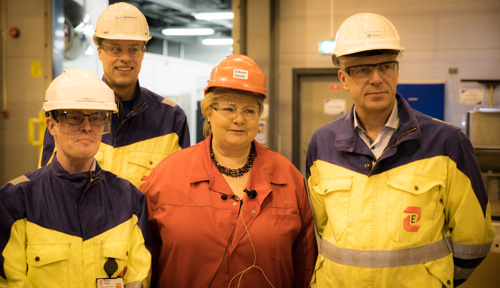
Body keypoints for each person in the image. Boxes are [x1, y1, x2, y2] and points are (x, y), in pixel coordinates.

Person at [306, 12, 495, 287]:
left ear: (397, 71)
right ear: (343, 79)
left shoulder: (447, 143)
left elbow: (474, 239)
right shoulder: (321, 144)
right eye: (361, 70)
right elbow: (318, 230)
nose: (376, 78)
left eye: (385, 66)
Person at [141, 54, 317, 288]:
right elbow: (144, 260)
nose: (239, 119)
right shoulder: (166, 176)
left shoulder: (288, 178)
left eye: (250, 111)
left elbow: (305, 264)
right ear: (208, 112)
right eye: (229, 108)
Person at [0, 69, 152, 287]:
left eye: (97, 117)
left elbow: (138, 278)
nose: (87, 126)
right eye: (73, 116)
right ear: (51, 124)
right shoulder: (15, 202)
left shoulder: (130, 200)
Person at [40, 2, 190, 188]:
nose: (125, 57)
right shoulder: (67, 111)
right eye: (116, 48)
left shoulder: (171, 118)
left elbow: (181, 190)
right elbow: (47, 184)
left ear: (143, 52)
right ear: (100, 52)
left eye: (134, 48)